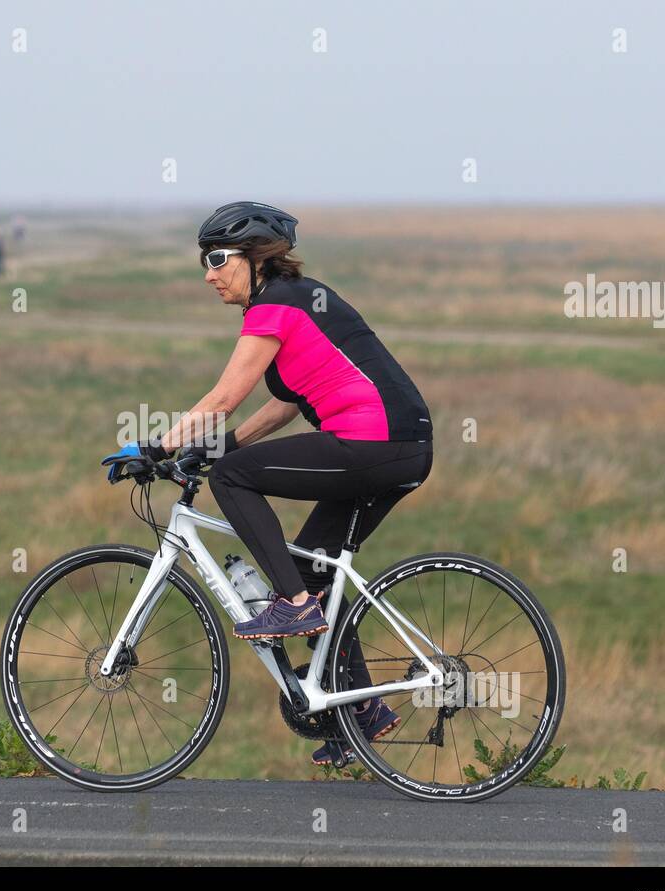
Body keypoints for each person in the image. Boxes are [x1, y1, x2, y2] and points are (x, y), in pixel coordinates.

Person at [114, 201, 434, 765]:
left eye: (216, 260)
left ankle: (291, 604)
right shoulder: (294, 302)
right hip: (398, 447)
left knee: (238, 485)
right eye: (204, 263)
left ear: (255, 258)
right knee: (312, 562)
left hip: (376, 442)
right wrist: (214, 449)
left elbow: (222, 398)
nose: (208, 274)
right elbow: (283, 406)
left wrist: (154, 448)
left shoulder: (275, 306)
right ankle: (360, 714)